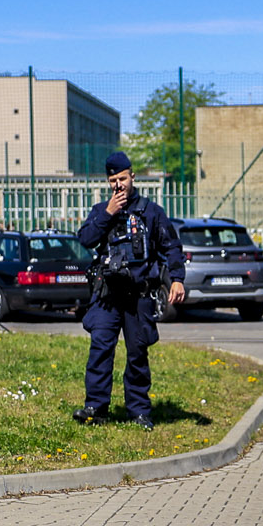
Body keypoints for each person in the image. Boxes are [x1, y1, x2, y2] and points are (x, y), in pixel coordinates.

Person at [74, 152, 184, 429]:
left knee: (137, 353)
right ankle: (95, 408)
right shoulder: (101, 211)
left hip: (139, 295)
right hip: (107, 296)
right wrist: (109, 212)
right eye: (113, 180)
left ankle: (139, 411)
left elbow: (171, 246)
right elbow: (85, 239)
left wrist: (178, 278)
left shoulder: (151, 212)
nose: (118, 185)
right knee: (100, 349)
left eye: (122, 178)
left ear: (132, 176)